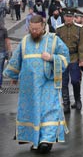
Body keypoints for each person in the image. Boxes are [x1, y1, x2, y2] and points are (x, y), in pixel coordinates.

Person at [3, 15, 69, 153]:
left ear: (43, 26)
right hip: (29, 86)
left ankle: (46, 141)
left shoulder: (53, 40)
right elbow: (17, 59)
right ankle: (35, 140)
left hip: (48, 83)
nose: (34, 32)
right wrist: (13, 75)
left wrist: (51, 57)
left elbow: (65, 58)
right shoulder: (25, 41)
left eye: (37, 29)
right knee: (33, 113)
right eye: (32, 29)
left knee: (49, 112)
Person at [56, 8, 83, 113]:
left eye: (70, 17)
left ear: (73, 18)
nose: (69, 19)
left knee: (75, 80)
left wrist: (82, 59)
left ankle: (78, 100)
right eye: (67, 17)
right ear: (64, 17)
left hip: (74, 57)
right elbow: (55, 45)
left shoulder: (79, 29)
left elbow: (82, 45)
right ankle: (66, 104)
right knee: (64, 82)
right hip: (62, 58)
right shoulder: (59, 29)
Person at [0, 24, 11, 92]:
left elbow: (7, 41)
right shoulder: (3, 29)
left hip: (1, 52)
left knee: (0, 69)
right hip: (2, 52)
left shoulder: (3, 30)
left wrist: (9, 51)